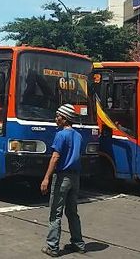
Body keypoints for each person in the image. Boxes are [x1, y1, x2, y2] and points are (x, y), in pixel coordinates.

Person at [40, 103, 86, 257]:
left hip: (62, 177)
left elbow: (55, 157)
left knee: (55, 213)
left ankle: (52, 247)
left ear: (65, 119)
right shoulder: (78, 136)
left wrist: (46, 177)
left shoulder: (61, 135)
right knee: (72, 212)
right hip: (75, 178)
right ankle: (78, 243)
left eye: (58, 116)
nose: (56, 118)